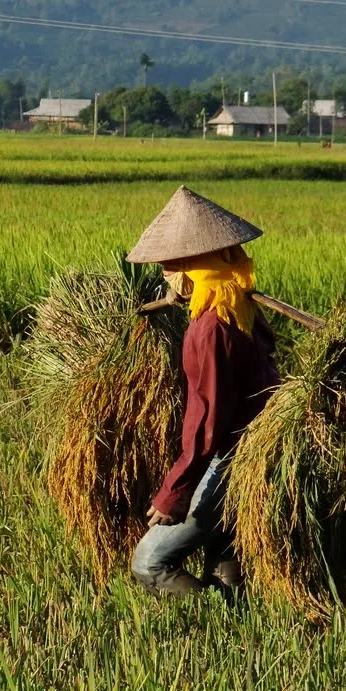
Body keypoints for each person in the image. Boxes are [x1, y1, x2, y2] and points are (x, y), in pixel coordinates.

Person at [125, 186, 279, 597]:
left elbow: (208, 421)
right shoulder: (241, 309)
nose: (164, 276)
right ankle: (235, 618)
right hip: (255, 453)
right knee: (222, 544)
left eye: (169, 267)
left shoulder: (208, 329)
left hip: (227, 460)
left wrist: (173, 493)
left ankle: (208, 622)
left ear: (194, 268)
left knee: (149, 563)